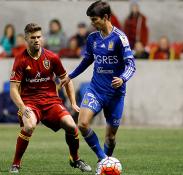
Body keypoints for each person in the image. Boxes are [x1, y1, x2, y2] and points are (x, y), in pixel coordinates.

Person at [60, 0, 136, 166]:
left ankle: (105, 161)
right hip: (95, 89)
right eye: (91, 20)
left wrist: (122, 78)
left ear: (106, 17)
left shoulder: (120, 38)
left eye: (95, 19)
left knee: (111, 137)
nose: (92, 23)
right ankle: (104, 160)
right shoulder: (92, 38)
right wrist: (70, 76)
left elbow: (131, 65)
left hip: (115, 94)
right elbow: (87, 59)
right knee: (83, 124)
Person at [9, 23, 91, 173]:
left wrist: (73, 102)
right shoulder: (20, 60)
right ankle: (15, 164)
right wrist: (22, 106)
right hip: (30, 103)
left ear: (43, 37)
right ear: (26, 39)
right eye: (32, 37)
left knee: (72, 126)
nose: (36, 40)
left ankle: (75, 159)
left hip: (51, 102)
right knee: (29, 126)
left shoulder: (52, 57)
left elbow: (66, 80)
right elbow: (13, 89)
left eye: (39, 37)